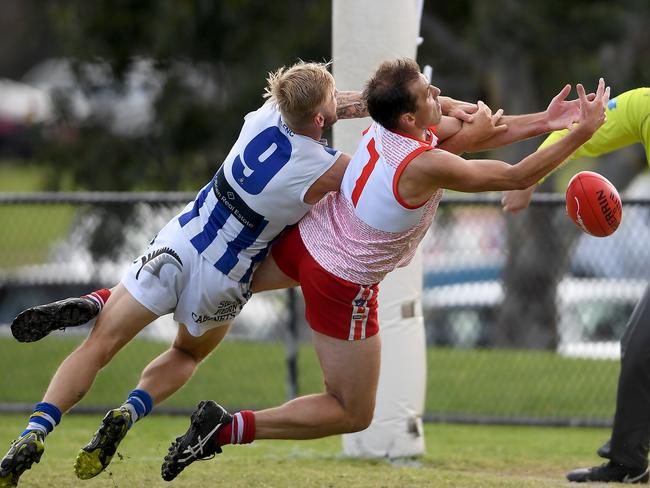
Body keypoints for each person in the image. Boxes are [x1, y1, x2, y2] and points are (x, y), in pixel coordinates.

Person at [0, 60, 483, 488]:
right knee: (185, 355)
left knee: (98, 345)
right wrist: (455, 127)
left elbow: (360, 105)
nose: (344, 102)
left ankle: (36, 428)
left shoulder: (264, 116)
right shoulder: (323, 166)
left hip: (181, 239)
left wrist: (438, 106)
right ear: (319, 117)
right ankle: (130, 408)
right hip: (226, 277)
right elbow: (396, 165)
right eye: (333, 99)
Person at [159, 57, 608, 482]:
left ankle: (129, 293)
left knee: (231, 282)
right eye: (427, 94)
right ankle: (225, 427)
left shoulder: (389, 126)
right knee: (352, 411)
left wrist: (548, 122)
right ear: (410, 118)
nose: (437, 92)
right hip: (340, 278)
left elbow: (472, 135)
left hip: (308, 240)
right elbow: (516, 177)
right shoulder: (422, 162)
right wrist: (580, 134)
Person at [502, 87, 650, 484]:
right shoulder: (645, 106)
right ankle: (628, 462)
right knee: (638, 349)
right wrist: (530, 173)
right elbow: (585, 130)